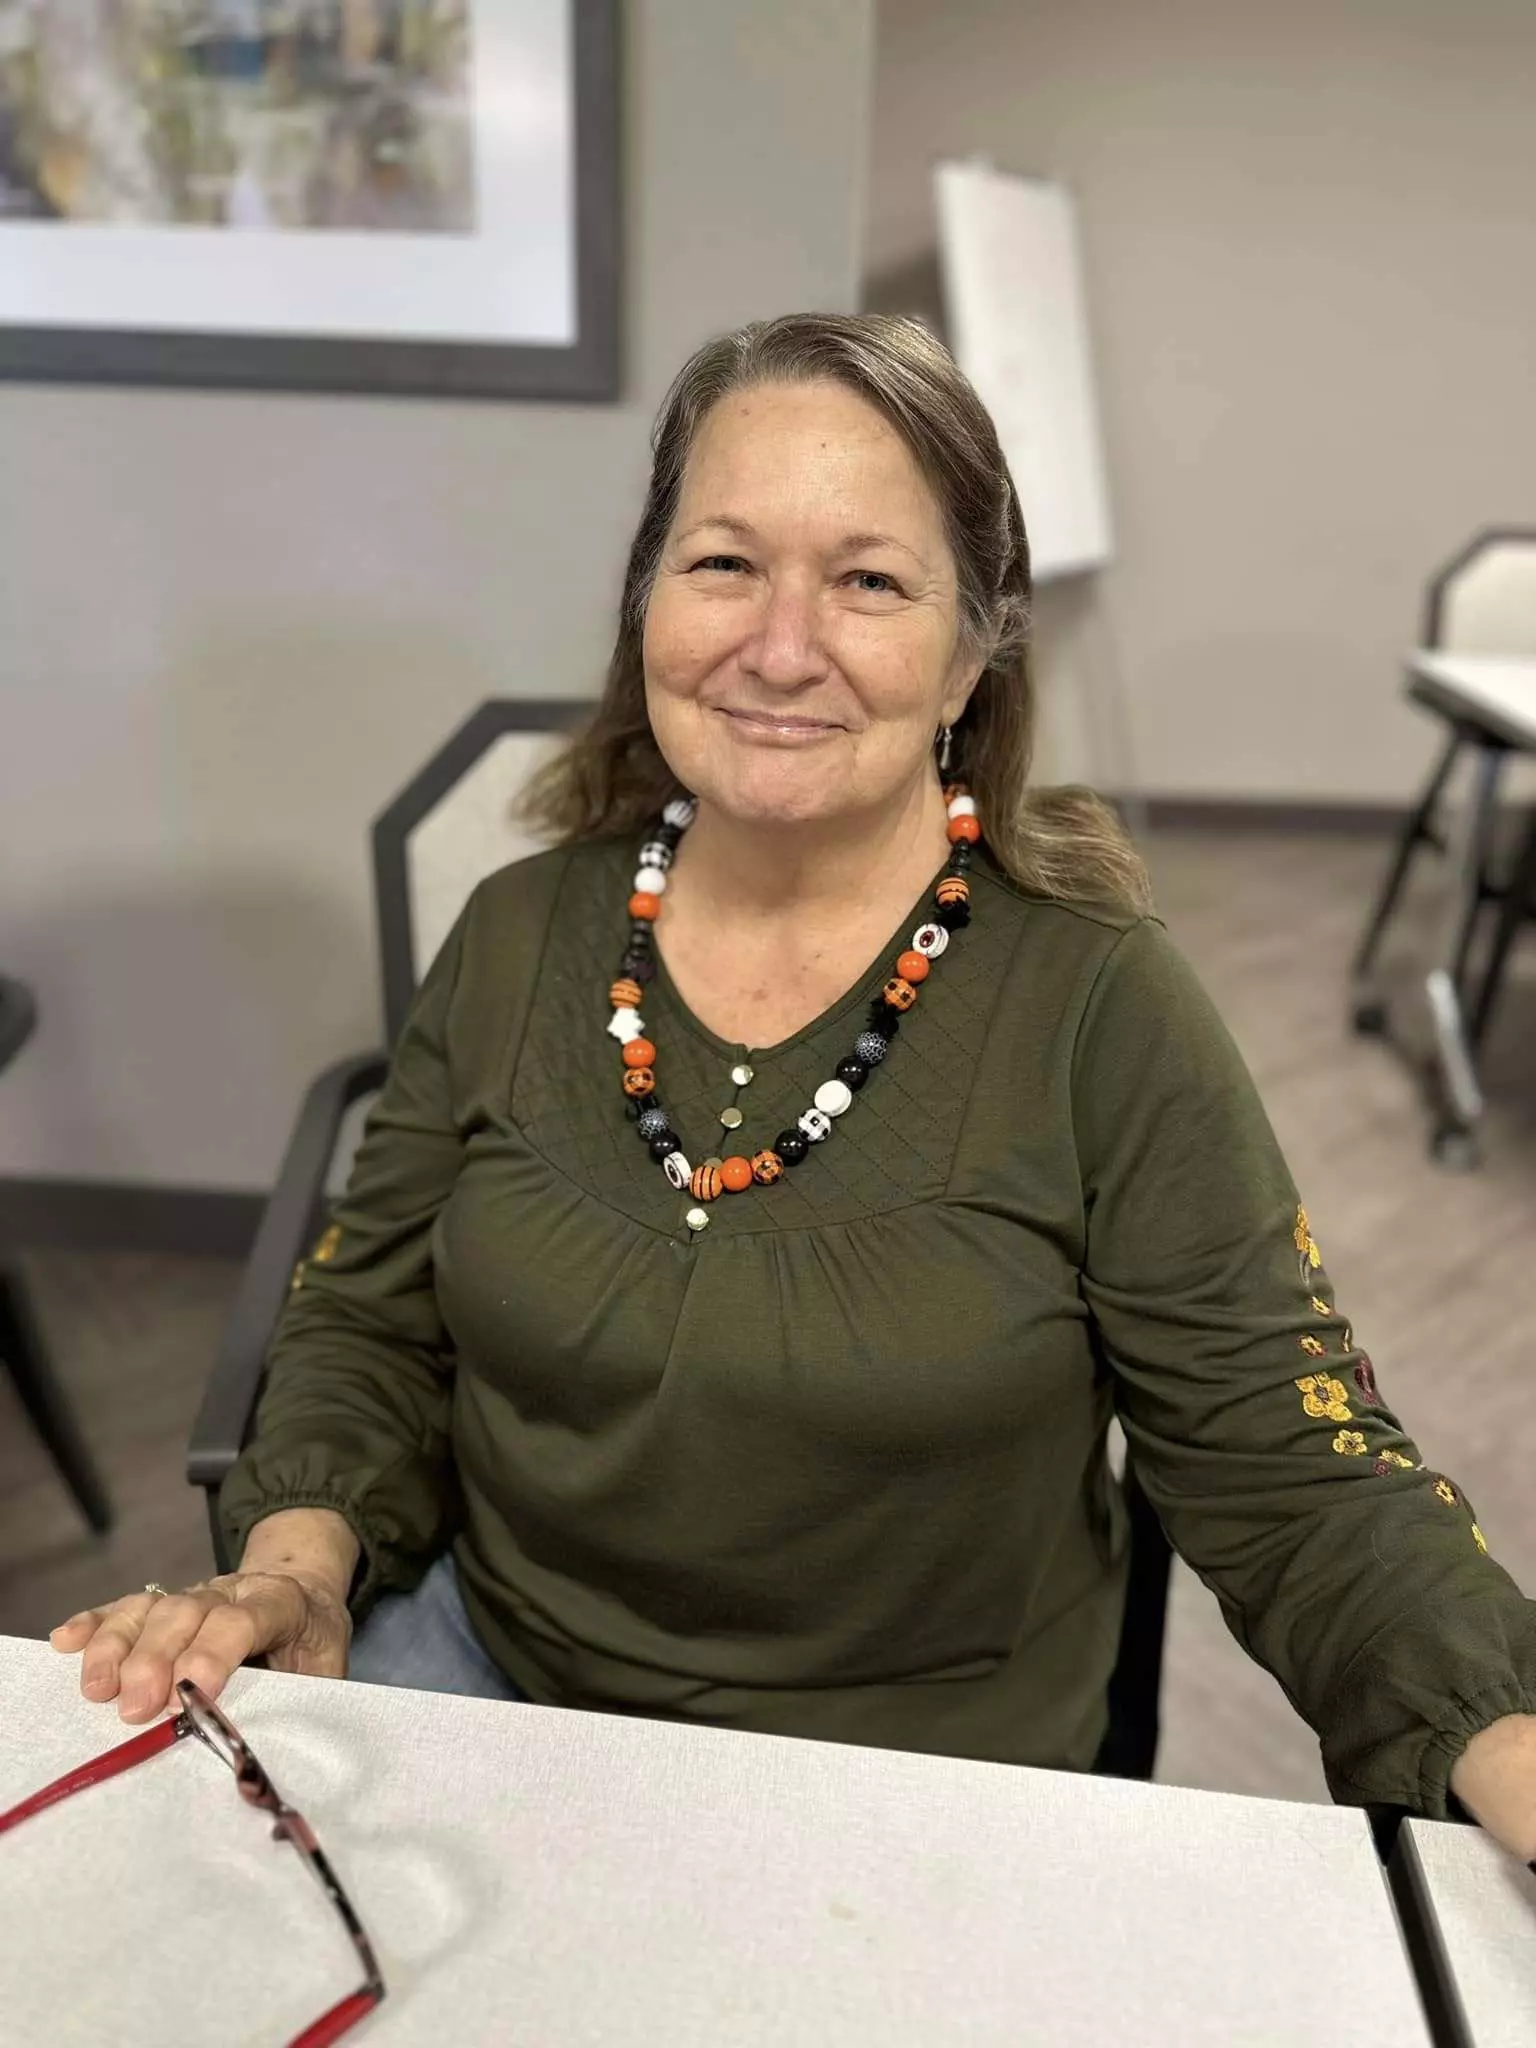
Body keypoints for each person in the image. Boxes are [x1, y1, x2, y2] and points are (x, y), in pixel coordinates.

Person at [51, 313, 1536, 1854]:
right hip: (497, 1687)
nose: (777, 645)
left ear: (972, 651)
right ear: (648, 601)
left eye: (869, 581)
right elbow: (371, 1320)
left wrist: (1502, 1733)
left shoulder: (1103, 1006)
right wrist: (296, 1571)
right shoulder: (518, 935)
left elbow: (1292, 1460)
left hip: (914, 1784)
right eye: (724, 563)